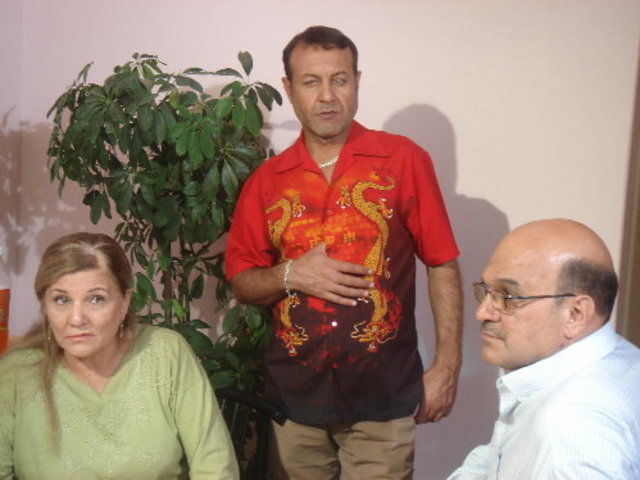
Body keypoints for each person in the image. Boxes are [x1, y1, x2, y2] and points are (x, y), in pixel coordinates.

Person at [225, 26, 462, 479]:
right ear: (289, 88)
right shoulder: (266, 182)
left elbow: (442, 262)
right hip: (294, 400)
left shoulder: (403, 160)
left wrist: (446, 366)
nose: (327, 96)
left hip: (383, 395)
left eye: (339, 79)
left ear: (357, 81)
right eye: (311, 82)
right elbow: (242, 281)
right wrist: (291, 274)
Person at [0, 232, 239, 480]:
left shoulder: (166, 353)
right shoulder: (17, 372)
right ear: (46, 306)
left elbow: (216, 468)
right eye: (62, 300)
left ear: (124, 303)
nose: (77, 319)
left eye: (96, 299)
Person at [448, 219, 640, 479]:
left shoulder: (568, 442)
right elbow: (496, 459)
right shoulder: (618, 360)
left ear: (575, 314)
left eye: (507, 296)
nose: (482, 312)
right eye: (486, 291)